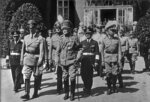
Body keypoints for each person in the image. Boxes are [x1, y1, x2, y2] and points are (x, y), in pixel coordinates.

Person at [55, 20, 80, 101]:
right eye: (63, 29)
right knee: (65, 78)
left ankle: (72, 93)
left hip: (72, 61)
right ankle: (66, 93)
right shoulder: (61, 39)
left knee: (72, 77)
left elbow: (79, 49)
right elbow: (57, 51)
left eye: (66, 29)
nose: (64, 30)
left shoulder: (74, 38)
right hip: (63, 62)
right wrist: (56, 60)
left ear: (70, 29)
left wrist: (78, 58)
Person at [20, 20, 45, 100]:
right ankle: (27, 93)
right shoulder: (25, 37)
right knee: (26, 76)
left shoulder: (40, 38)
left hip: (36, 59)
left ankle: (35, 92)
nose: (31, 29)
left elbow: (42, 51)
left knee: (37, 77)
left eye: (32, 28)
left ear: (35, 28)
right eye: (30, 28)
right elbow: (23, 49)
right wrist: (21, 58)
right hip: (27, 58)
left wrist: (41, 60)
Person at [101, 21, 122, 95]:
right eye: (111, 30)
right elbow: (101, 51)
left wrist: (119, 60)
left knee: (115, 73)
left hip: (115, 58)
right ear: (107, 31)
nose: (113, 32)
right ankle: (109, 88)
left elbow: (119, 51)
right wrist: (102, 61)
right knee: (108, 74)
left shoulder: (117, 39)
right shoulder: (104, 40)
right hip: (107, 59)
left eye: (114, 31)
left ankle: (114, 87)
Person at [80, 27, 99, 95]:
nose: (87, 34)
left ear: (91, 34)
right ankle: (85, 85)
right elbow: (79, 53)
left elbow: (97, 53)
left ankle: (88, 89)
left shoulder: (95, 42)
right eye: (86, 33)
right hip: (83, 61)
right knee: (83, 75)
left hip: (91, 61)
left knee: (90, 76)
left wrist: (96, 62)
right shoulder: (82, 42)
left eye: (89, 33)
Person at [48, 21, 63, 94]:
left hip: (63, 56)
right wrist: (50, 59)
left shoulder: (63, 36)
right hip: (55, 58)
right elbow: (50, 49)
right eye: (56, 28)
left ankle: (62, 86)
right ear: (55, 28)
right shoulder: (53, 37)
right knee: (59, 73)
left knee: (64, 73)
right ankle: (59, 88)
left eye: (59, 28)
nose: (58, 29)